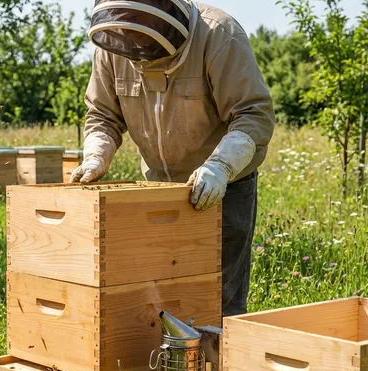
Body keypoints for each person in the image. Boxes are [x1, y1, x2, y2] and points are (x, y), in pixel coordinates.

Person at [70, 0, 275, 317]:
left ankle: (219, 363)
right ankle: (168, 364)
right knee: (159, 294)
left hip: (223, 187)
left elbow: (253, 115)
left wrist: (220, 167)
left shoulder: (219, 35)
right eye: (125, 20)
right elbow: (102, 115)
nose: (134, 35)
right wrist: (97, 154)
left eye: (138, 20)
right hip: (157, 190)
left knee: (218, 297)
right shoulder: (113, 44)